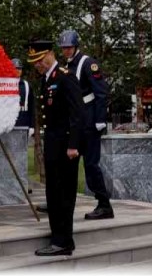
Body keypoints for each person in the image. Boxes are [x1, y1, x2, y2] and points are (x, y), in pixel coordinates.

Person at [28, 39, 83, 256]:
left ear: (50, 54)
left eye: (39, 60)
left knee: (63, 195)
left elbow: (77, 114)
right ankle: (59, 237)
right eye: (34, 62)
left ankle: (63, 241)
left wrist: (73, 145)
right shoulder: (47, 79)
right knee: (53, 193)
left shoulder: (65, 77)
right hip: (53, 146)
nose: (37, 65)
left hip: (65, 147)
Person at [58, 30, 113, 220]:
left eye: (69, 47)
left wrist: (100, 120)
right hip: (76, 122)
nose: (66, 50)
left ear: (76, 46)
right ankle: (62, 202)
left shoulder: (88, 63)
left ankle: (104, 205)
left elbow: (101, 93)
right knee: (68, 164)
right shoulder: (67, 65)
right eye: (64, 48)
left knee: (91, 166)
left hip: (89, 122)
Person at [13, 57, 36, 195]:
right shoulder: (5, 85)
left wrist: (32, 125)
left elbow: (32, 107)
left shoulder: (26, 86)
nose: (17, 71)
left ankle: (24, 183)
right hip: (10, 126)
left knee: (22, 156)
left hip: (23, 124)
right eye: (15, 68)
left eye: (19, 69)